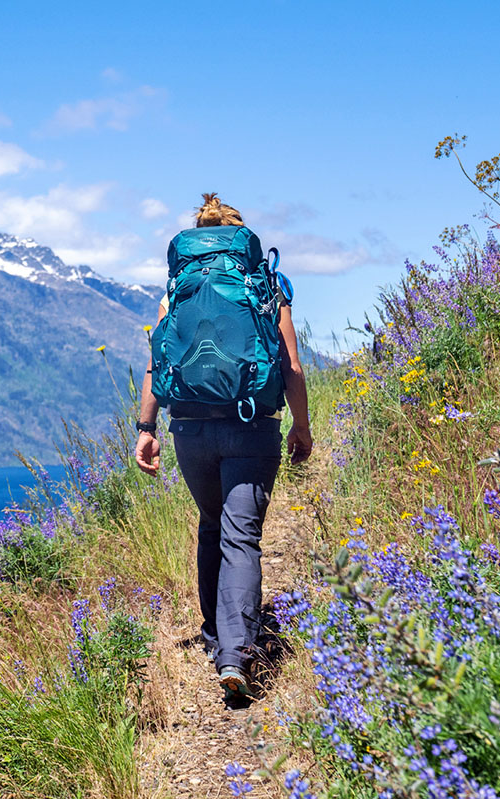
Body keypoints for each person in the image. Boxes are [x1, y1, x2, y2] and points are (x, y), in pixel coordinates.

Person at [133, 193, 313, 700]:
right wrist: (301, 425)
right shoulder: (264, 285)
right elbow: (291, 366)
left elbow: (156, 364)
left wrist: (146, 429)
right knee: (241, 536)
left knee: (212, 526)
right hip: (250, 426)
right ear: (240, 238)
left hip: (189, 429)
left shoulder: (177, 292)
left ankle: (216, 641)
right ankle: (236, 656)